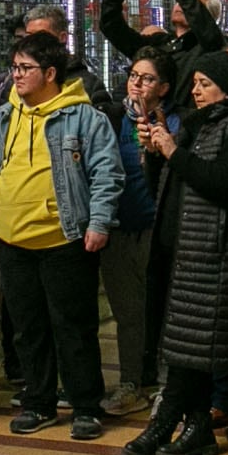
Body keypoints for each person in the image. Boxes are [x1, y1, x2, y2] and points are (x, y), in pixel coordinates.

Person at [0, 32, 122, 437]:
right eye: (14, 67)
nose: (16, 76)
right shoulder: (3, 119)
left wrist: (98, 222)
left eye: (25, 68)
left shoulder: (83, 117)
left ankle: (85, 406)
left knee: (73, 327)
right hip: (12, 241)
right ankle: (37, 402)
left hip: (65, 238)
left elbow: (107, 173)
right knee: (27, 328)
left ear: (51, 73)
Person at [124, 54, 228, 455]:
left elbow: (222, 183)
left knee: (199, 347)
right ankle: (193, 424)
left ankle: (171, 421)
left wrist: (172, 151)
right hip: (183, 249)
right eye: (196, 83)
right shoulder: (197, 125)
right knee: (185, 346)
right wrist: (155, 155)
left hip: (215, 253)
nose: (197, 91)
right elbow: (169, 184)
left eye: (206, 83)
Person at [99, 46, 170, 414]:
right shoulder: (112, 119)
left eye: (147, 78)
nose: (137, 85)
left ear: (164, 87)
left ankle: (163, 383)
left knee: (160, 309)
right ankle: (130, 382)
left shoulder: (174, 122)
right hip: (118, 227)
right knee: (127, 312)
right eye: (133, 76)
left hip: (158, 229)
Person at [100, 0, 228, 102]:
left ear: (205, 16)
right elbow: (112, 28)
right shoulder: (158, 43)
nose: (180, 5)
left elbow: (210, 35)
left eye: (188, 3)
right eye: (178, 1)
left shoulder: (209, 48)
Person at [0, 2, 72, 133]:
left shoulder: (85, 96)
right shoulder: (4, 90)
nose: (31, 43)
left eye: (27, 68)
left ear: (50, 74)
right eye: (28, 36)